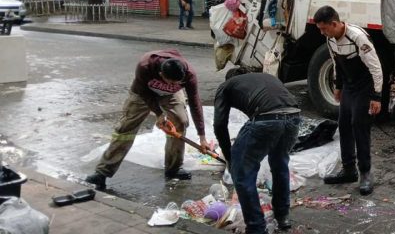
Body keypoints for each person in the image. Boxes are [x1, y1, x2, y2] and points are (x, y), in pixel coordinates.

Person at [85, 50, 209, 190]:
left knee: (180, 121)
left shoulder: (189, 74)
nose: (173, 84)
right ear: (161, 74)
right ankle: (102, 173)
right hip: (143, 93)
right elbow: (143, 92)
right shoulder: (145, 66)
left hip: (171, 96)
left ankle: (173, 168)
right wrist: (159, 113)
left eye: (177, 83)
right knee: (125, 128)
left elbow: (195, 102)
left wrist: (202, 136)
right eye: (170, 82)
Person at [214, 67, 301, 233]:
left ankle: (256, 227)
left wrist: (230, 158)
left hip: (267, 118)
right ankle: (283, 216)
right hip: (293, 117)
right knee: (280, 164)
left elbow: (219, 125)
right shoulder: (264, 78)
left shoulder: (226, 86)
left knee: (242, 172)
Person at [313, 5, 383, 195]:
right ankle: (349, 169)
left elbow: (376, 67)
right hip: (349, 86)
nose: (322, 33)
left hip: (365, 86)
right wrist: (338, 86)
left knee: (359, 125)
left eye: (324, 28)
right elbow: (336, 63)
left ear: (334, 24)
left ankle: (365, 173)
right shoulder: (330, 39)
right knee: (343, 125)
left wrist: (376, 96)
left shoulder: (357, 37)